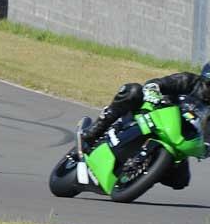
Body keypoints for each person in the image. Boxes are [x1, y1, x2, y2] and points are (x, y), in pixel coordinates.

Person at [81, 65, 210, 190]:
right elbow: (156, 84)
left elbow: (207, 140)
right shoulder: (188, 81)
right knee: (133, 91)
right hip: (156, 114)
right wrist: (154, 92)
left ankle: (147, 170)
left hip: (179, 139)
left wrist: (205, 148)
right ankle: (97, 129)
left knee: (180, 181)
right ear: (204, 79)